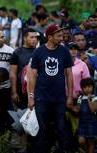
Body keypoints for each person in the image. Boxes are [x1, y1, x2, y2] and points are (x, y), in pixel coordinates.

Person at [28, 24, 74, 153]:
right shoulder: (39, 52)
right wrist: (31, 97)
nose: (62, 38)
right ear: (49, 37)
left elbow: (69, 74)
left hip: (59, 99)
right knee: (42, 130)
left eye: (62, 35)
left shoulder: (64, 51)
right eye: (58, 36)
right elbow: (32, 76)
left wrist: (69, 96)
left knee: (61, 128)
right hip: (41, 98)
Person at [74, 78, 97, 153]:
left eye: (89, 86)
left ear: (93, 87)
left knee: (91, 142)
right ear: (82, 88)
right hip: (82, 123)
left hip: (91, 123)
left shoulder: (94, 98)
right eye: (84, 87)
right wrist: (71, 107)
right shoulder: (80, 98)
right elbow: (77, 110)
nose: (87, 89)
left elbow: (93, 110)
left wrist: (88, 99)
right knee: (81, 141)